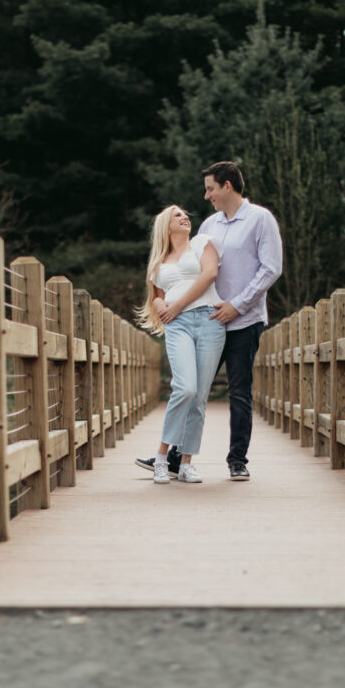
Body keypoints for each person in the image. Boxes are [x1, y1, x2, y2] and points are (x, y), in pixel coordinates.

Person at [136, 161, 282, 481]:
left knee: (239, 391)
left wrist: (238, 305)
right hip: (207, 320)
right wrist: (163, 301)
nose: (206, 196)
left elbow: (270, 269)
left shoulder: (260, 219)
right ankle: (173, 457)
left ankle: (237, 459)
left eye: (210, 189)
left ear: (227, 186)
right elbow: (185, 271)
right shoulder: (209, 227)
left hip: (243, 319)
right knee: (191, 389)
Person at [136, 205, 227, 484]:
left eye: (187, 213)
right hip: (178, 326)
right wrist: (163, 304)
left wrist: (174, 305)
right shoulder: (158, 263)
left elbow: (209, 275)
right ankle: (162, 458)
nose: (185, 216)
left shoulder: (202, 242)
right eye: (177, 215)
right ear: (166, 224)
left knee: (199, 396)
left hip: (210, 320)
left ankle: (186, 462)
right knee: (184, 388)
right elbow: (158, 297)